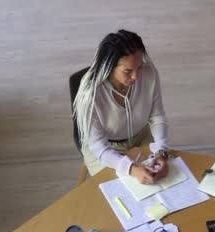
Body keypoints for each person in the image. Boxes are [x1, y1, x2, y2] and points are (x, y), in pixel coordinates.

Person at [73, 30, 170, 184]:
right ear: (110, 67)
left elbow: (157, 117)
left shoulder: (149, 74)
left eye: (139, 67)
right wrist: (131, 168)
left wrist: (161, 151)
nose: (136, 76)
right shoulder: (90, 94)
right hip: (105, 147)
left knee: (157, 179)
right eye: (128, 71)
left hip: (140, 137)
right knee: (124, 187)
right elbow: (99, 147)